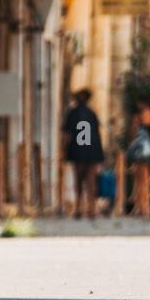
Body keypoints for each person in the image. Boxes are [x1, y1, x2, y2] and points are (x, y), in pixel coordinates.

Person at [61, 88, 104, 219]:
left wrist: (63, 150)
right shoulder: (92, 114)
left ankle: (79, 208)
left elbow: (67, 135)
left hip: (78, 151)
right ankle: (91, 209)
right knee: (91, 181)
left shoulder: (72, 114)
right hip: (91, 151)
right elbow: (97, 134)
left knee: (78, 181)